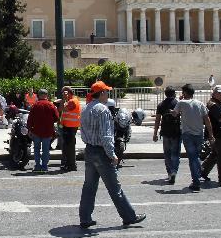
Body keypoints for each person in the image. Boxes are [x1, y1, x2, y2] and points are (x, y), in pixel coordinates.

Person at [78, 81, 146, 229]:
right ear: (101, 93)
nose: (107, 94)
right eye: (106, 92)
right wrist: (112, 154)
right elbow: (106, 136)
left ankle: (85, 218)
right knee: (115, 187)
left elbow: (82, 132)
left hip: (89, 150)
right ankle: (129, 217)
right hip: (101, 152)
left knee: (89, 186)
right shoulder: (102, 110)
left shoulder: (85, 109)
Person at [173, 84, 214, 192]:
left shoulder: (181, 103)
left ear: (185, 93)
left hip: (187, 134)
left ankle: (196, 181)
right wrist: (211, 135)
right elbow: (207, 120)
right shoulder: (200, 104)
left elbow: (174, 114)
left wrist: (177, 103)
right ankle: (199, 172)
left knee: (192, 157)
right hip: (199, 134)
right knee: (196, 156)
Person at [152, 86, 181, 184]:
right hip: (176, 132)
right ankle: (174, 171)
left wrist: (155, 133)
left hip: (165, 132)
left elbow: (157, 120)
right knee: (175, 153)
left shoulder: (161, 105)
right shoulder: (177, 103)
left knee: (167, 153)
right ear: (174, 94)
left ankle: (169, 173)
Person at [27, 90, 58, 172]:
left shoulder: (35, 105)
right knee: (46, 150)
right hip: (47, 131)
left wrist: (29, 129)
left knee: (36, 149)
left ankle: (37, 166)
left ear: (38, 95)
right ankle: (44, 167)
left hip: (36, 131)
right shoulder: (51, 105)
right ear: (46, 95)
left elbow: (30, 119)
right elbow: (56, 118)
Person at [57, 86, 82, 172]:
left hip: (70, 127)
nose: (63, 94)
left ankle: (71, 165)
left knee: (69, 147)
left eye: (65, 93)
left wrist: (63, 100)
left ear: (69, 93)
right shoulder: (70, 101)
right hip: (68, 127)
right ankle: (68, 164)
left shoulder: (72, 101)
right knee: (67, 146)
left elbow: (61, 109)